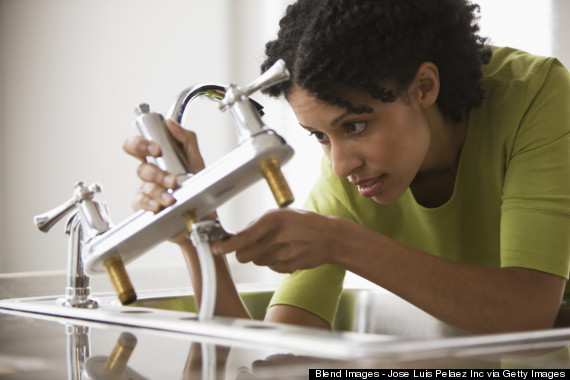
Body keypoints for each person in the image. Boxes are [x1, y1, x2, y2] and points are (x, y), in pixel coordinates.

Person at [123, 0, 570, 335]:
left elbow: (527, 312)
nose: (339, 165)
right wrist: (195, 229)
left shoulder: (536, 96)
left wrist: (342, 242)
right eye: (319, 135)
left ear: (424, 87)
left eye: (355, 125)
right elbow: (281, 359)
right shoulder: (353, 185)